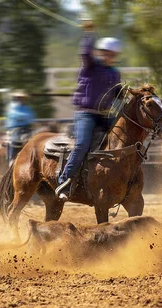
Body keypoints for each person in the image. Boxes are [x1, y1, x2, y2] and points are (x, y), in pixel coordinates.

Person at [55, 20, 122, 201]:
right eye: (106, 53)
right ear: (100, 53)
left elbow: (118, 93)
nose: (109, 56)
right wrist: (89, 34)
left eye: (112, 54)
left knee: (122, 139)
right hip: (85, 113)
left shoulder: (115, 73)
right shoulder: (90, 65)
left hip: (104, 116)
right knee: (82, 144)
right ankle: (64, 180)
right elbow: (85, 52)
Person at [6, 90, 35, 165]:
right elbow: (14, 115)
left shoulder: (27, 108)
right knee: (15, 140)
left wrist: (24, 118)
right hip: (15, 127)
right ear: (16, 98)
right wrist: (23, 117)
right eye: (19, 97)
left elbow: (30, 117)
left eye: (22, 98)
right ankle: (11, 159)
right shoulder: (12, 107)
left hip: (26, 128)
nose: (20, 99)